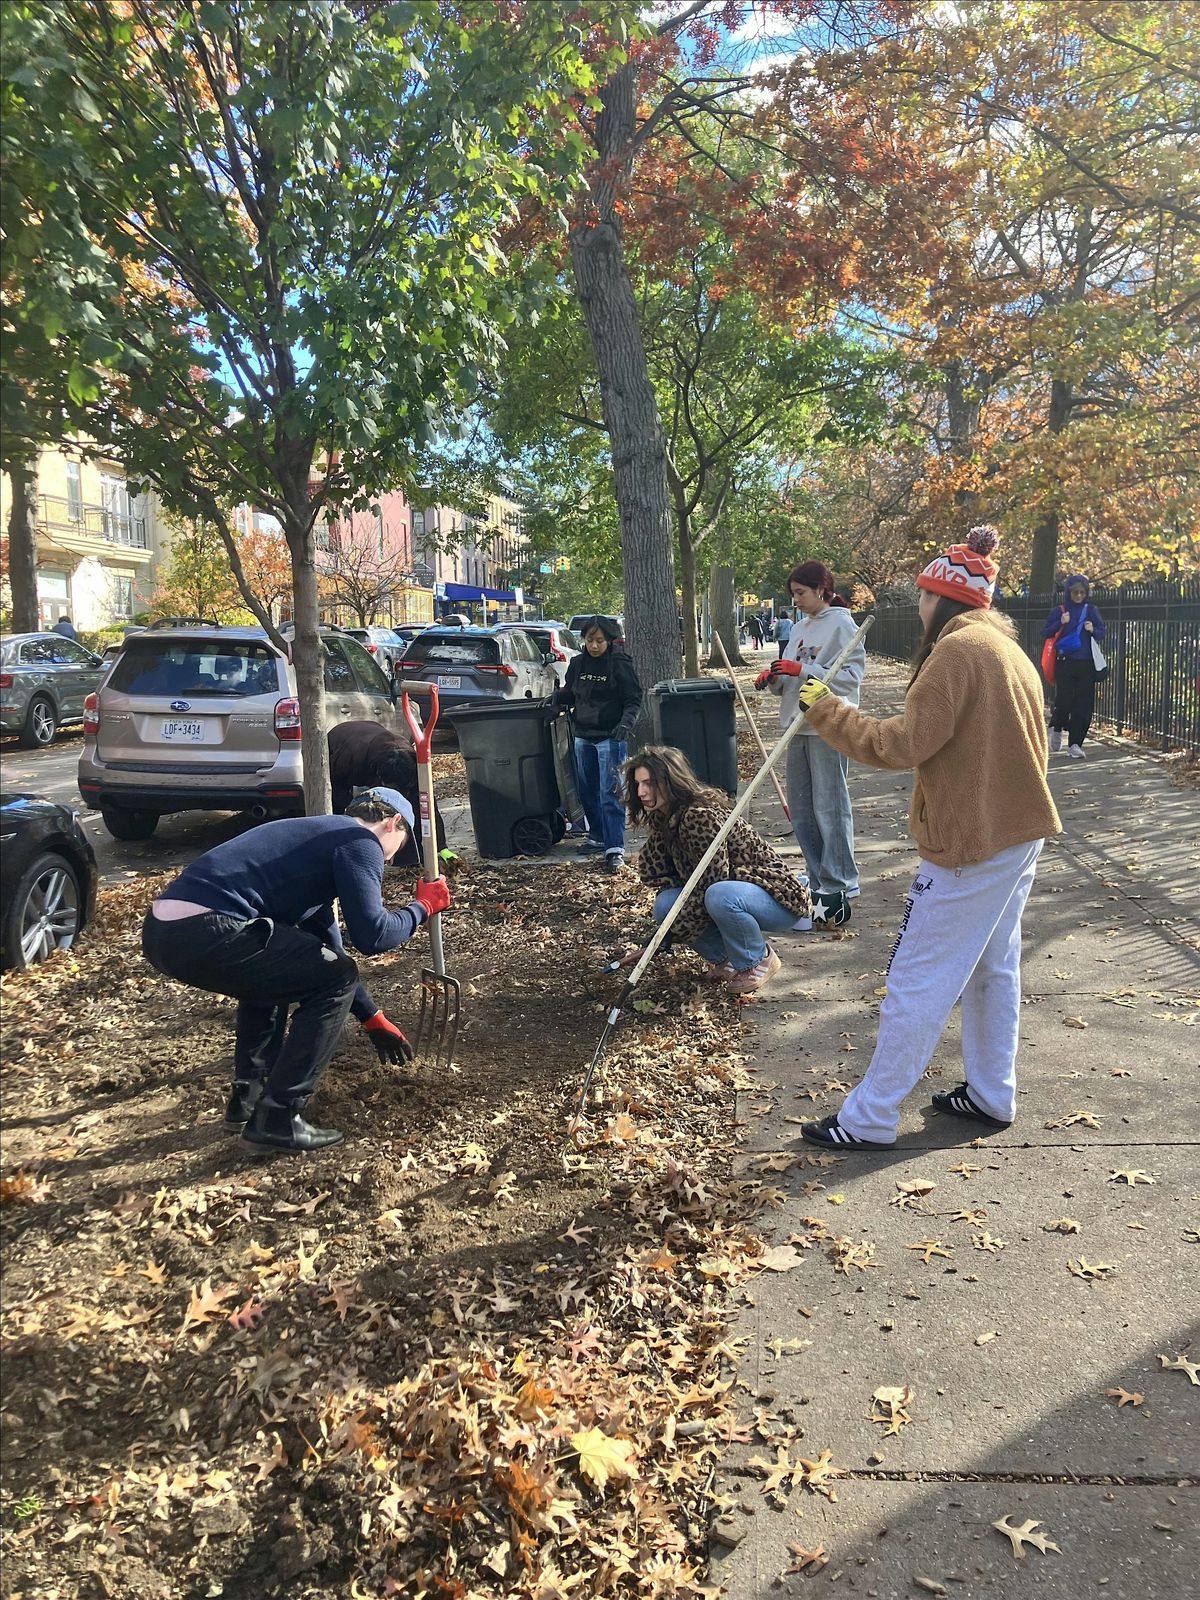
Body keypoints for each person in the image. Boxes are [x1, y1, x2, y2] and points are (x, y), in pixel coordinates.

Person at [789, 526, 1061, 1148]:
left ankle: (870, 1117)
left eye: (922, 594)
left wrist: (824, 708)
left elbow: (901, 744)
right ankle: (993, 1094)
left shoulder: (957, 654)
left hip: (974, 842)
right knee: (993, 969)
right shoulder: (1004, 648)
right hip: (1016, 833)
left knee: (917, 975)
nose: (917, 605)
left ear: (942, 598)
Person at [141, 788, 451, 1154]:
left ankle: (248, 1099)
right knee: (333, 976)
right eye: (398, 846)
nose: (392, 856)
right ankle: (278, 1117)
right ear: (392, 822)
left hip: (165, 932)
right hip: (207, 927)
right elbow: (373, 935)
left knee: (277, 975)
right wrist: (422, 908)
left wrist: (371, 1018)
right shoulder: (360, 841)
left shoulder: (317, 844)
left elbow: (331, 953)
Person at [627, 745, 811, 994]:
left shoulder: (698, 816)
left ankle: (758, 960)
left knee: (718, 894)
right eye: (637, 784)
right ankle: (725, 959)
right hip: (735, 892)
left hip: (777, 898)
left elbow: (713, 880)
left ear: (669, 780)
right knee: (665, 905)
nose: (640, 792)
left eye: (648, 783)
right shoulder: (668, 816)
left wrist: (669, 934)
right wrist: (662, 933)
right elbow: (657, 874)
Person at [756, 560, 865, 928]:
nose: (796, 600)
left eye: (801, 593)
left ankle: (841, 882)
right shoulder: (800, 627)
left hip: (828, 725)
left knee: (829, 806)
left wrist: (803, 671)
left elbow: (849, 679)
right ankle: (818, 879)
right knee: (801, 809)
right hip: (796, 724)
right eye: (793, 594)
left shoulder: (843, 624)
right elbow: (790, 673)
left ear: (821, 589)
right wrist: (772, 678)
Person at [557, 615, 642, 873]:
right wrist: (555, 699)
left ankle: (615, 847)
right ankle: (597, 836)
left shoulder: (619, 664)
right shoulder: (578, 664)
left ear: (609, 640)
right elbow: (570, 693)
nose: (594, 645)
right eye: (590, 640)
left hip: (610, 737)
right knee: (587, 790)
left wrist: (626, 723)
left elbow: (633, 698)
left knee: (611, 792)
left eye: (599, 641)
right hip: (583, 735)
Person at [327, 720, 447, 868]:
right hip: (342, 742)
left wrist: (440, 847)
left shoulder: (414, 763)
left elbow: (426, 804)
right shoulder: (350, 759)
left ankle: (410, 853)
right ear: (379, 776)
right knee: (352, 808)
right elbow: (337, 795)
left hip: (374, 738)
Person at [1042, 575, 1105, 758]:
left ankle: (1075, 744)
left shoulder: (1091, 610)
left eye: (1082, 592)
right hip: (1065, 662)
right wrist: (1060, 622)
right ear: (1069, 593)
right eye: (1075, 592)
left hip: (1086, 664)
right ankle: (1057, 727)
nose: (1078, 595)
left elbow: (1102, 632)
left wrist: (1093, 630)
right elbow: (1046, 632)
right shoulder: (1059, 611)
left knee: (1083, 705)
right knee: (1064, 701)